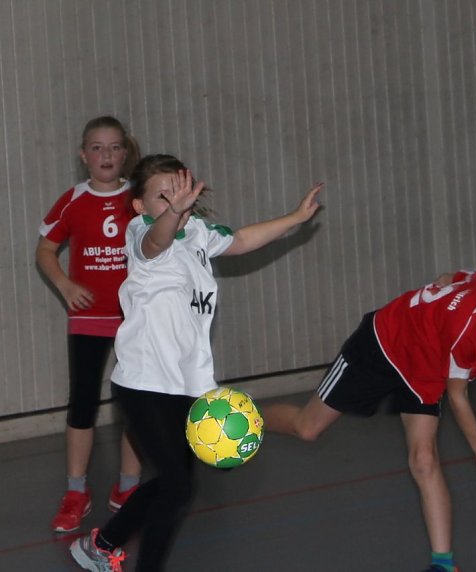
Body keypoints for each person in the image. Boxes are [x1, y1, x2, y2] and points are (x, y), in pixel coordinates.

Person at [69, 154, 323, 572]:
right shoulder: (141, 232)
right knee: (177, 484)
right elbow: (158, 242)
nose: (174, 200)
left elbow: (240, 240)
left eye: (180, 191)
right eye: (162, 195)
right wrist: (174, 211)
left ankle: (102, 544)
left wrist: (294, 217)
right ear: (140, 205)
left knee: (175, 485)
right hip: (143, 382)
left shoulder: (201, 233)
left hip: (188, 386)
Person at [265, 238, 476, 572]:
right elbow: (457, 395)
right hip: (384, 344)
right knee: (307, 428)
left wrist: (443, 282)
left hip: (424, 367)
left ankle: (443, 564)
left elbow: (454, 276)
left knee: (424, 460)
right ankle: (246, 415)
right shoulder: (472, 329)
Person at [37, 116, 144, 533]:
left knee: (135, 403)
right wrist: (65, 286)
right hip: (88, 318)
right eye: (97, 148)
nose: (106, 155)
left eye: (114, 147)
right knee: (82, 403)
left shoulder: (138, 199)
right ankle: (76, 491)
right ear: (84, 156)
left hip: (134, 317)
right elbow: (45, 251)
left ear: (125, 153)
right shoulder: (72, 200)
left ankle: (128, 487)